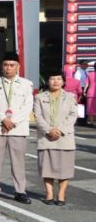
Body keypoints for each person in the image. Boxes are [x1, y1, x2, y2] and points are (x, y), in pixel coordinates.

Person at [0, 51, 34, 204]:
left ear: (18, 66)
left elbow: (27, 106)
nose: (8, 68)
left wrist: (12, 121)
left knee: (18, 161)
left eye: (12, 65)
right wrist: (3, 119)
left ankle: (20, 191)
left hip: (17, 129)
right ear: (2, 66)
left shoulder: (26, 84)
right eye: (5, 65)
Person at [34, 71, 77, 206]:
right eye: (52, 79)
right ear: (48, 81)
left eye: (59, 79)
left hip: (64, 138)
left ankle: (61, 194)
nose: (55, 81)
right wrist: (48, 130)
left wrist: (60, 130)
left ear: (63, 81)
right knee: (46, 167)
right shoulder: (39, 97)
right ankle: (49, 193)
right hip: (46, 138)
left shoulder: (70, 97)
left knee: (65, 169)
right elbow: (38, 116)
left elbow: (73, 115)